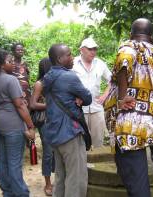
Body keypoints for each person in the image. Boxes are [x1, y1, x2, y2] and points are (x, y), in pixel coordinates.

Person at [104, 18, 153, 197]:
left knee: (137, 185)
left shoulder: (130, 46)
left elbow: (124, 60)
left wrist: (122, 97)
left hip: (131, 123)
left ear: (131, 34)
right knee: (135, 178)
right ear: (151, 36)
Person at [0, 49, 36, 197]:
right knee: (15, 162)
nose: (13, 64)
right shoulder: (11, 80)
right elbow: (20, 105)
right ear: (2, 65)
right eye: (9, 61)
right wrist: (30, 126)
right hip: (13, 125)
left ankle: (7, 192)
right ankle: (21, 193)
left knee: (2, 160)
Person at [42, 44, 92, 197]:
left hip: (55, 134)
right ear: (59, 59)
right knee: (76, 179)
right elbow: (88, 98)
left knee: (60, 176)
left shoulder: (48, 76)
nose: (72, 58)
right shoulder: (69, 76)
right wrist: (79, 98)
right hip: (70, 133)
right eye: (69, 55)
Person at [72, 37, 112, 148]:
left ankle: (97, 163)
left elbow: (113, 80)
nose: (93, 52)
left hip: (96, 107)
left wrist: (105, 95)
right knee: (80, 140)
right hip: (78, 109)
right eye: (90, 49)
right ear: (82, 50)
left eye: (95, 49)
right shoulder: (73, 63)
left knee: (98, 140)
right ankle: (83, 164)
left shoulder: (100, 64)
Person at [30, 57, 54, 196]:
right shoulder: (40, 84)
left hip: (56, 120)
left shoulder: (56, 81)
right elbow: (33, 104)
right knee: (48, 152)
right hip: (45, 121)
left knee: (58, 151)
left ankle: (58, 179)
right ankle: (48, 183)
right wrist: (50, 105)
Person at [11, 43, 31, 107]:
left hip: (26, 91)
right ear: (13, 52)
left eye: (22, 50)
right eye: (18, 50)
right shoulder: (10, 63)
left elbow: (27, 76)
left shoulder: (25, 63)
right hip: (16, 92)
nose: (20, 51)